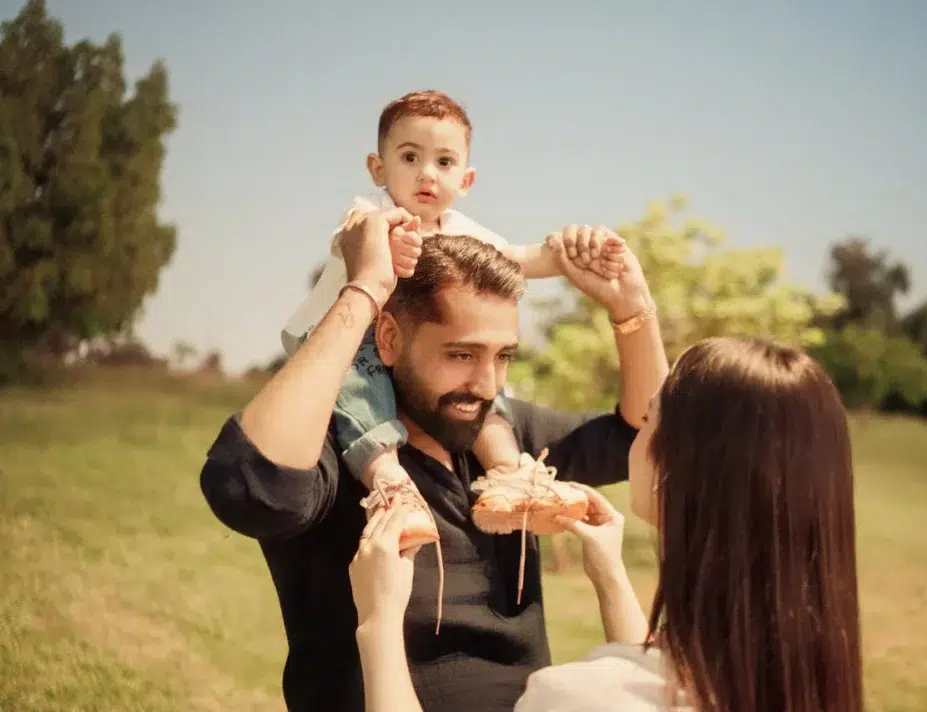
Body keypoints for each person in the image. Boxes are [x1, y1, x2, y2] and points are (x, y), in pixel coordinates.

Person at [199, 209, 668, 712]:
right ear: (389, 339)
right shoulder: (337, 449)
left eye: (503, 356)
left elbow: (646, 438)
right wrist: (365, 287)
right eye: (462, 356)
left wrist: (632, 308)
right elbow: (249, 487)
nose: (487, 385)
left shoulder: (504, 434)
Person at [350, 336, 865, 712]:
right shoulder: (800, 684)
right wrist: (611, 577)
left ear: (674, 466)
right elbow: (664, 678)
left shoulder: (577, 700)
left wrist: (378, 621)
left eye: (651, 419)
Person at [279, 90, 630, 550]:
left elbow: (519, 257)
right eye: (410, 157)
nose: (427, 173)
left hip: (427, 350)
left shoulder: (463, 231)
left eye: (444, 162)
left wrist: (571, 252)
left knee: (483, 392)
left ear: (465, 179)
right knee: (362, 398)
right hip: (352, 343)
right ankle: (390, 487)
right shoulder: (372, 212)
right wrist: (384, 244)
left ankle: (508, 475)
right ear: (378, 168)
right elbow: (356, 235)